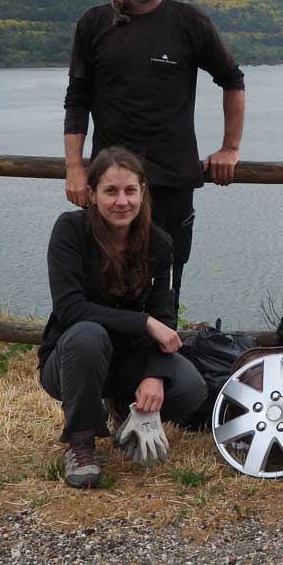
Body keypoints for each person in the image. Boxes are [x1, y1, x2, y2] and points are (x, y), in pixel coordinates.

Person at [62, 0, 246, 307]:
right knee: (104, 286)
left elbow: (232, 79)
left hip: (171, 184)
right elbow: (77, 100)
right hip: (111, 187)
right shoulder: (94, 23)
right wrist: (75, 168)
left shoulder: (190, 22)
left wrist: (230, 148)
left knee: (166, 291)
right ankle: (111, 364)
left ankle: (157, 366)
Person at [39, 147, 207, 489]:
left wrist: (155, 375)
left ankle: (120, 408)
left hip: (128, 361)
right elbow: (70, 309)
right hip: (72, 359)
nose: (121, 201)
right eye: (110, 191)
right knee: (89, 334)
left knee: (190, 388)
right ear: (91, 194)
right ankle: (81, 442)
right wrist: (142, 322)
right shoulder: (70, 230)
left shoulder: (160, 243)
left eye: (130, 190)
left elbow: (165, 317)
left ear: (143, 192)